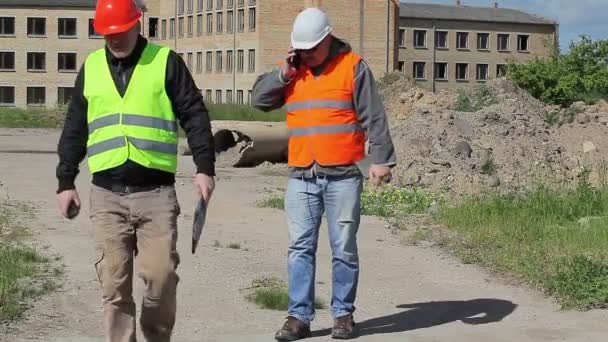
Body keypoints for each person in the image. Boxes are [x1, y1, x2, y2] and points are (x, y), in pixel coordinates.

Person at [55, 0, 216, 341]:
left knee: (161, 279)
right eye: (107, 33)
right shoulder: (92, 67)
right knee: (113, 286)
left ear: (137, 23)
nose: (113, 39)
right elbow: (75, 127)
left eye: (120, 31)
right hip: (107, 195)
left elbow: (195, 115)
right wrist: (65, 180)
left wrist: (205, 167)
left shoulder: (165, 62)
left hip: (155, 195)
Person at [251, 7, 397, 341]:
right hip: (302, 174)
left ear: (327, 38)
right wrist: (284, 74)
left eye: (311, 50)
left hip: (343, 174)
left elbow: (374, 116)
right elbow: (258, 101)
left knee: (343, 247)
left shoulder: (353, 67)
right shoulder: (293, 70)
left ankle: (343, 315)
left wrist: (381, 160)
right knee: (300, 247)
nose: (307, 56)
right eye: (301, 50)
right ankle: (299, 317)